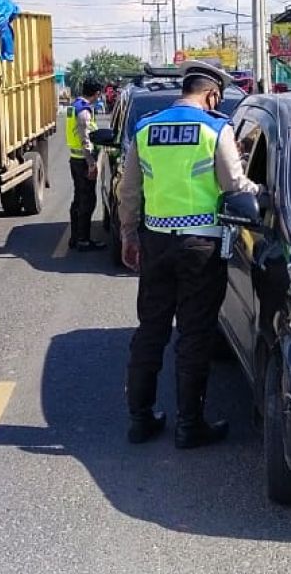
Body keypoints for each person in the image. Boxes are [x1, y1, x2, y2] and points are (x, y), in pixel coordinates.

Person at [117, 61, 264, 448]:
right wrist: (263, 192)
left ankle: (140, 419)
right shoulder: (216, 128)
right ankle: (189, 425)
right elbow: (235, 184)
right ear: (212, 94)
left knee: (151, 330)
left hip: (156, 242)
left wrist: (129, 235)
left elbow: (129, 190)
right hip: (200, 246)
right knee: (195, 334)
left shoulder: (146, 127)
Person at [67, 79, 105, 251]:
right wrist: (91, 164)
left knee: (79, 199)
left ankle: (76, 237)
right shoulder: (83, 112)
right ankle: (83, 239)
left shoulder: (73, 105)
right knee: (87, 201)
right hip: (83, 161)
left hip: (75, 159)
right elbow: (85, 140)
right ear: (96, 94)